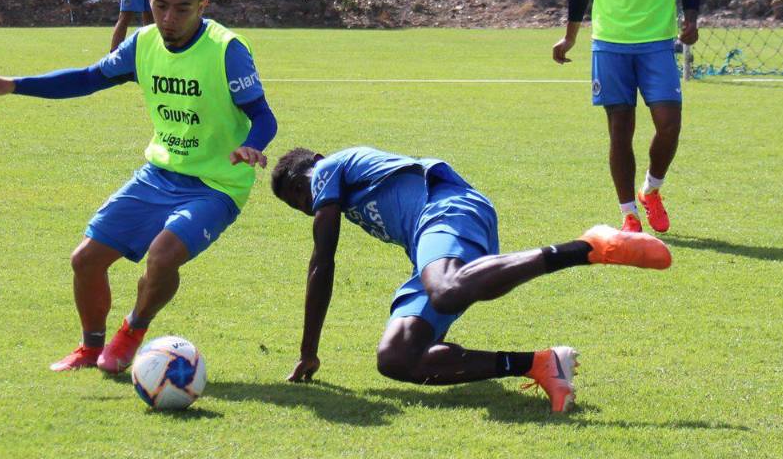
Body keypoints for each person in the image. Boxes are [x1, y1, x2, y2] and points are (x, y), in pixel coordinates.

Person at [0, 0, 277, 373]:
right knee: (85, 260)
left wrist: (252, 146)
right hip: (158, 175)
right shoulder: (143, 43)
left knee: (163, 255)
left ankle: (132, 330)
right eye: (160, 5)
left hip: (216, 184)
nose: (168, 17)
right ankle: (90, 348)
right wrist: (16, 85)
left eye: (182, 9)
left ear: (202, 6)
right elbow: (87, 78)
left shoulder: (226, 50)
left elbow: (263, 115)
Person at [271, 146, 672, 413]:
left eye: (298, 191)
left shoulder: (328, 169)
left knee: (446, 290)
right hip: (428, 248)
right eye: (296, 206)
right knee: (396, 357)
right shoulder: (341, 187)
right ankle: (540, 364)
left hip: (445, 209)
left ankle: (587, 247)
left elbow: (322, 261)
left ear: (314, 165)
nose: (306, 205)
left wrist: (308, 349)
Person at [552, 0, 701, 236]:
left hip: (656, 41)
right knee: (621, 128)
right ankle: (629, 214)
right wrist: (569, 37)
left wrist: (691, 19)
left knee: (669, 123)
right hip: (610, 42)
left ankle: (652, 189)